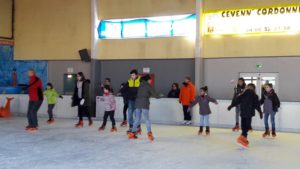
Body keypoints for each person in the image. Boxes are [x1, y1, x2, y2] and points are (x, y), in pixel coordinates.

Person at [228, 83, 263, 149]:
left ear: (247, 88)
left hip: (243, 113)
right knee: (247, 127)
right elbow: (257, 105)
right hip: (249, 114)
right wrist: (260, 112)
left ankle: (244, 138)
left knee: (244, 126)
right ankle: (241, 138)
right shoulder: (254, 96)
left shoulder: (242, 94)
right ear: (253, 89)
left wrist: (231, 106)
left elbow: (236, 101)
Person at [128, 74, 160, 141]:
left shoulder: (139, 85)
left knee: (137, 119)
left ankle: (132, 133)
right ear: (148, 80)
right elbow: (155, 95)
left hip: (137, 103)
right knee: (147, 119)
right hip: (144, 104)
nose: (151, 81)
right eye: (150, 79)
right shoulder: (148, 86)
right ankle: (149, 133)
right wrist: (159, 96)